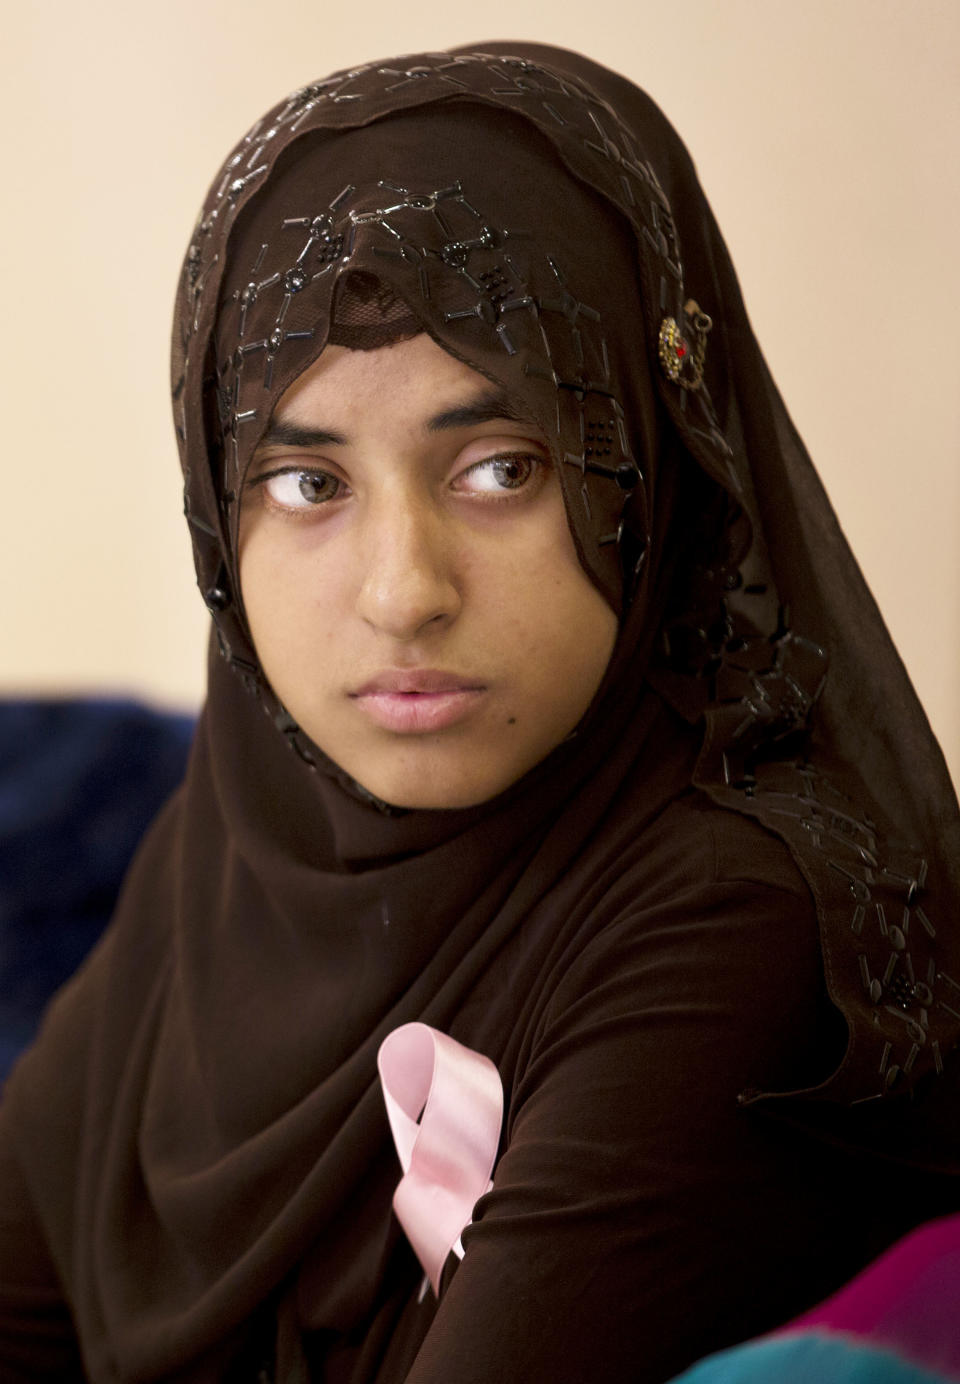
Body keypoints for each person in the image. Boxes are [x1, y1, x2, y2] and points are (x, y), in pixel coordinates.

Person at [0, 40, 958, 1384]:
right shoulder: (228, 866)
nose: (404, 591)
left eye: (502, 466)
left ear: (650, 475)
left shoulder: (732, 928)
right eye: (306, 484)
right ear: (220, 518)